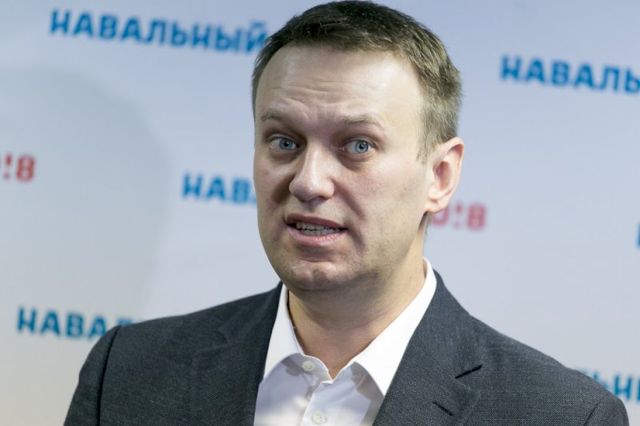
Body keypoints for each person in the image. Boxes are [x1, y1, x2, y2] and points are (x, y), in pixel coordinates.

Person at [65, 2, 628, 425]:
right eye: (284, 142)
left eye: (358, 145)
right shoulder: (129, 373)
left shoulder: (561, 416)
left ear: (440, 176)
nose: (308, 181)